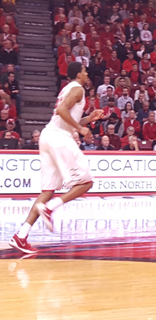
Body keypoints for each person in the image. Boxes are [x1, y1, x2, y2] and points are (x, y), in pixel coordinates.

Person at [9, 63, 103, 254]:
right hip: (59, 138)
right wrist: (81, 129)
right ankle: (51, 208)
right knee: (86, 183)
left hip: (49, 136)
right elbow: (62, 111)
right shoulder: (77, 89)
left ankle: (21, 235)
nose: (87, 74)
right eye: (84, 71)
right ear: (78, 74)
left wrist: (88, 119)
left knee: (47, 191)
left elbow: (65, 117)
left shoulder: (68, 89)